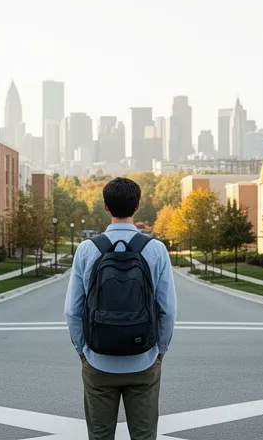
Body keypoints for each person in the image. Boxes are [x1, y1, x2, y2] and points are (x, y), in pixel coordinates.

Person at [64, 177, 177, 440]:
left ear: (105, 206)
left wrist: (83, 351)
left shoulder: (87, 250)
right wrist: (160, 351)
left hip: (98, 360)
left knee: (100, 436)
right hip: (144, 360)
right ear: (137, 206)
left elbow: (72, 310)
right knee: (144, 436)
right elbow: (168, 309)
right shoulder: (156, 250)